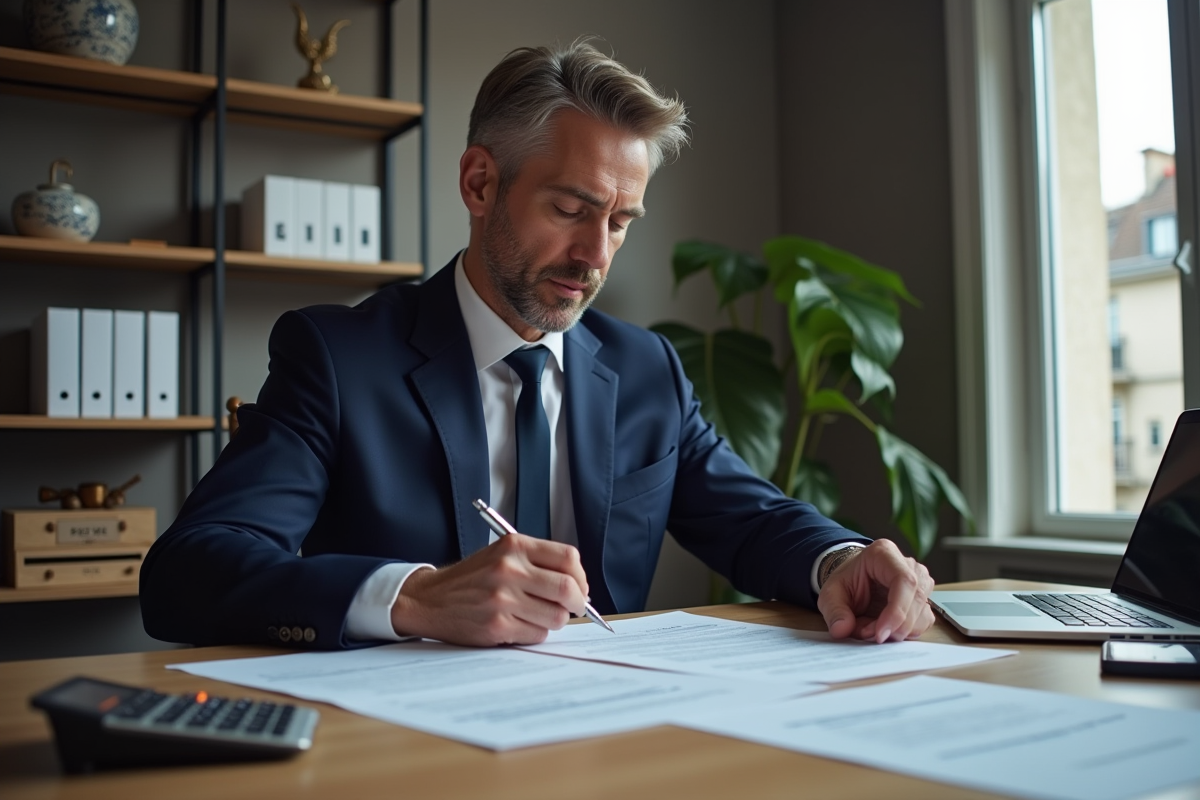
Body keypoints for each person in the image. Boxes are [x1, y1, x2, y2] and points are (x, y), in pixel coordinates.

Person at [140, 41, 934, 650]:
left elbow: (753, 521)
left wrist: (840, 560)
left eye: (620, 222)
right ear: (480, 184)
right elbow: (188, 571)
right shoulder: (338, 358)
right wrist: (412, 597)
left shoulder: (645, 369)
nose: (596, 255)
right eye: (570, 208)